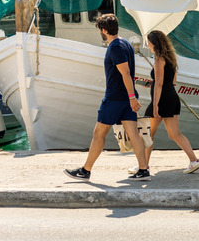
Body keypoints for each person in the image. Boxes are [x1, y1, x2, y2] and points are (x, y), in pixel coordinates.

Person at [64, 14, 150, 181]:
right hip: (125, 97)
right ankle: (143, 170)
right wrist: (131, 97)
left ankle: (85, 170)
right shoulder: (125, 43)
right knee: (133, 133)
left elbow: (125, 73)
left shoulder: (115, 47)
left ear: (103, 30)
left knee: (98, 133)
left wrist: (132, 97)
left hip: (116, 98)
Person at [129, 30, 199, 175]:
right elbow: (171, 81)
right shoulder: (170, 58)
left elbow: (160, 83)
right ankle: (194, 161)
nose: (147, 44)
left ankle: (143, 166)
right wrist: (153, 83)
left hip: (162, 100)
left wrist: (155, 105)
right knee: (174, 134)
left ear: (153, 43)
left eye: (148, 41)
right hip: (171, 97)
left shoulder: (158, 59)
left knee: (147, 134)